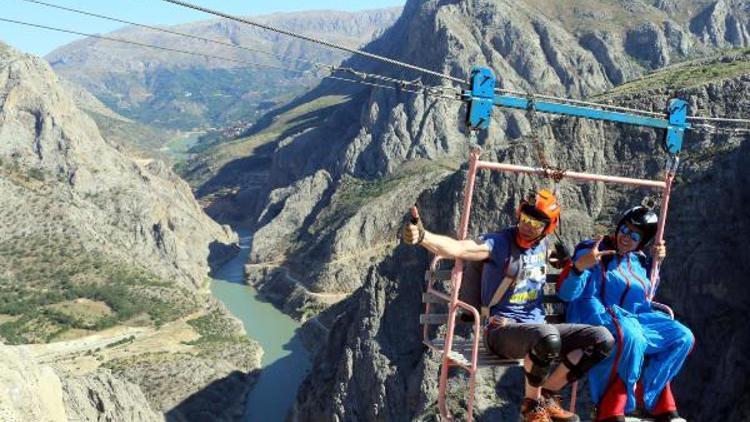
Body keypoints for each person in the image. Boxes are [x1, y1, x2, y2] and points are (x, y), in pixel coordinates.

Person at [404, 189, 614, 422]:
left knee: (602, 338)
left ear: (547, 228)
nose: (526, 226)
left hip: (537, 330)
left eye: (535, 223)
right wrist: (423, 237)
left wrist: (567, 261)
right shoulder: (499, 243)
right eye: (524, 218)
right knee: (547, 337)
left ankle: (547, 394)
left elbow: (551, 258)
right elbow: (459, 248)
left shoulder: (542, 246)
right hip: (501, 331)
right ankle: (532, 407)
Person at [558, 206, 694, 422]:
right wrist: (579, 267)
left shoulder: (639, 261)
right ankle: (611, 406)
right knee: (630, 337)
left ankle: (648, 393)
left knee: (682, 337)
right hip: (596, 315)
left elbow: (646, 296)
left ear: (642, 241)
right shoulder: (593, 251)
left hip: (634, 318)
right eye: (625, 229)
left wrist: (655, 266)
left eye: (635, 235)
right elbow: (566, 294)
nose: (626, 237)